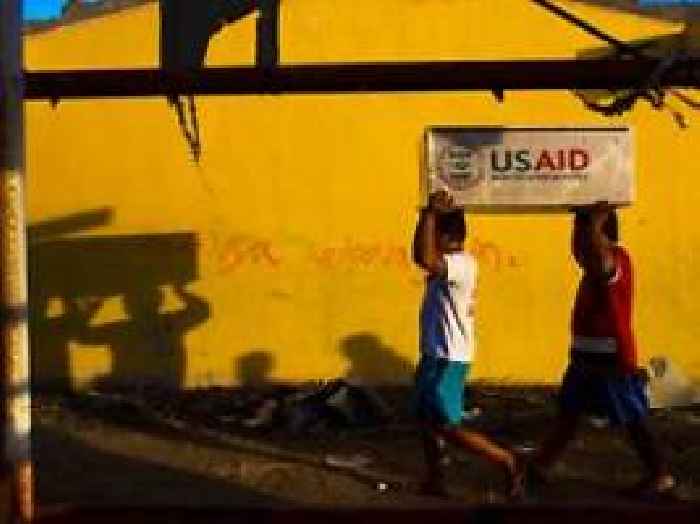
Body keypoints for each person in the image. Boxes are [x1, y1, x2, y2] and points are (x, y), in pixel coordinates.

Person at [530, 203, 676, 497]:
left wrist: (593, 224)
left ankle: (660, 475)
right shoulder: (592, 269)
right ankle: (539, 467)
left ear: (601, 235)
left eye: (580, 235)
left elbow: (600, 259)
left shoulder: (616, 261)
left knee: (633, 419)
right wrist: (587, 225)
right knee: (568, 415)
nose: (575, 244)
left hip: (611, 360)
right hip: (585, 358)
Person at [411, 190, 524, 499]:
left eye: (434, 234)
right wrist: (427, 217)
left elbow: (424, 258)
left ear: (448, 237)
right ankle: (436, 479)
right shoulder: (447, 263)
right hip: (433, 355)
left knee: (447, 425)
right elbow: (420, 256)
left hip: (449, 359)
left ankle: (507, 461)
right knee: (425, 421)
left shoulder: (461, 264)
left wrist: (429, 215)